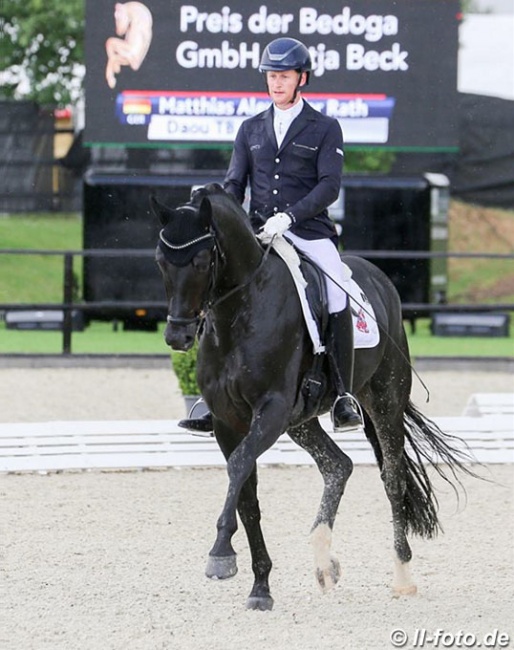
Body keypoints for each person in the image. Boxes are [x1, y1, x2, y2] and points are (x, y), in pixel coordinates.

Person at [179, 36, 362, 433]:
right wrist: (215, 211)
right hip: (259, 234)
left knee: (335, 293)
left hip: (309, 232)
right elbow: (234, 184)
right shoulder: (251, 129)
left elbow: (329, 187)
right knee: (217, 290)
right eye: (271, 76)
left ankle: (344, 396)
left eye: (284, 76)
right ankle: (217, 397)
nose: (276, 83)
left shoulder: (325, 128)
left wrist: (291, 217)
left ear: (302, 78)